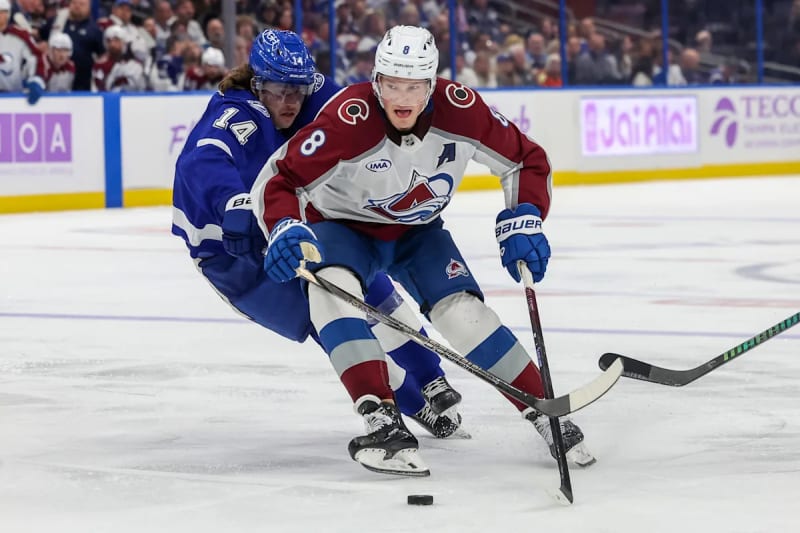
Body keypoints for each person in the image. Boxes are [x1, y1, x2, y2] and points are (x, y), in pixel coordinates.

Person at [252, 25, 594, 476]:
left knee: (463, 314)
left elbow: (525, 159)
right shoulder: (348, 119)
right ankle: (383, 422)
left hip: (418, 231)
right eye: (392, 84)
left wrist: (525, 216)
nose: (401, 96)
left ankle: (547, 415)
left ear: (431, 84)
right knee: (332, 293)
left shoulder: (463, 111)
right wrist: (284, 227)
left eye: (413, 85)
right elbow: (280, 178)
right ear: (376, 81)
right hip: (342, 228)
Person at [170, 29, 466, 453]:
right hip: (232, 253)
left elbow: (366, 114)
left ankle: (430, 374)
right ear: (257, 84)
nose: (290, 101)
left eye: (298, 89)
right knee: (327, 319)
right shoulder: (238, 114)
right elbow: (204, 159)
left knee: (368, 281)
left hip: (292, 221)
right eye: (278, 90)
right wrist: (233, 203)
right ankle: (411, 404)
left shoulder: (316, 94)